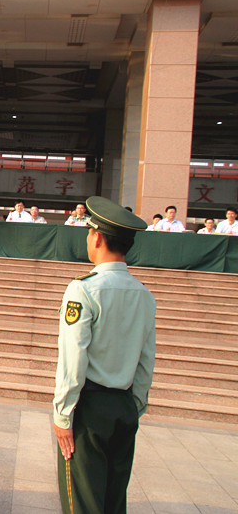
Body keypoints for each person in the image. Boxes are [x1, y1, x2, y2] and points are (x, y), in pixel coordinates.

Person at [53, 196, 155, 514]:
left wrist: (63, 414)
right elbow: (146, 360)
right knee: (113, 502)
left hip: (90, 409)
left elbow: (74, 357)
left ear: (96, 237)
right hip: (124, 406)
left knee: (83, 503)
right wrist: (134, 407)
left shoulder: (83, 289)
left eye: (89, 232)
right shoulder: (144, 294)